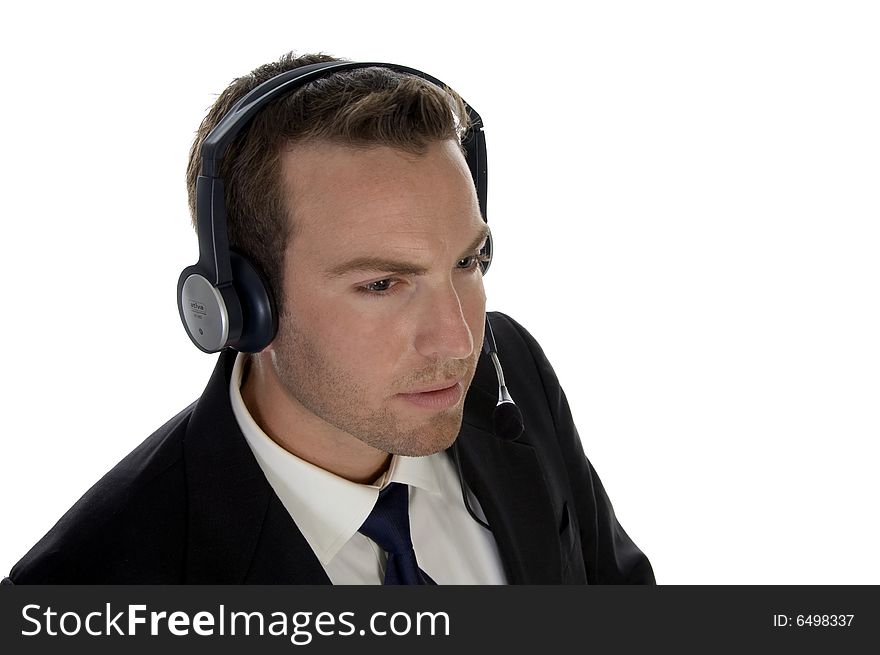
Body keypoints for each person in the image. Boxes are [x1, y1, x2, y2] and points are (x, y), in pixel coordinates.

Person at [4, 52, 654, 585]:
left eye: (467, 260)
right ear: (241, 305)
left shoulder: (511, 370)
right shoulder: (86, 585)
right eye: (381, 282)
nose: (458, 339)